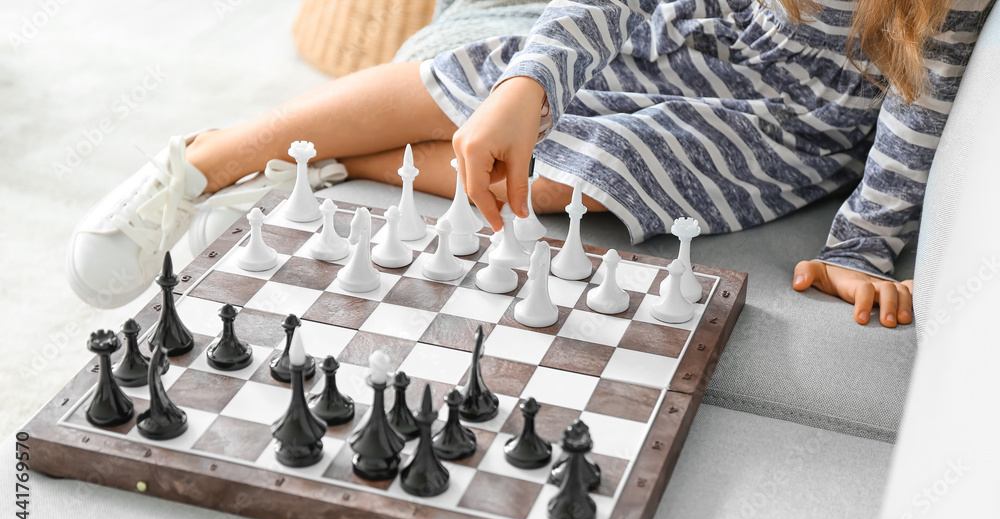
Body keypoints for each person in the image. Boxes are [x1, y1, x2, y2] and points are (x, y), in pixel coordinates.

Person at [66, 0, 994, 327]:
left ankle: (326, 163)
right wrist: (531, 83)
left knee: (576, 179)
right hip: (673, 39)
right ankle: (207, 160)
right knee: (484, 80)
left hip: (784, 128)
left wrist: (865, 248)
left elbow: (921, 109)